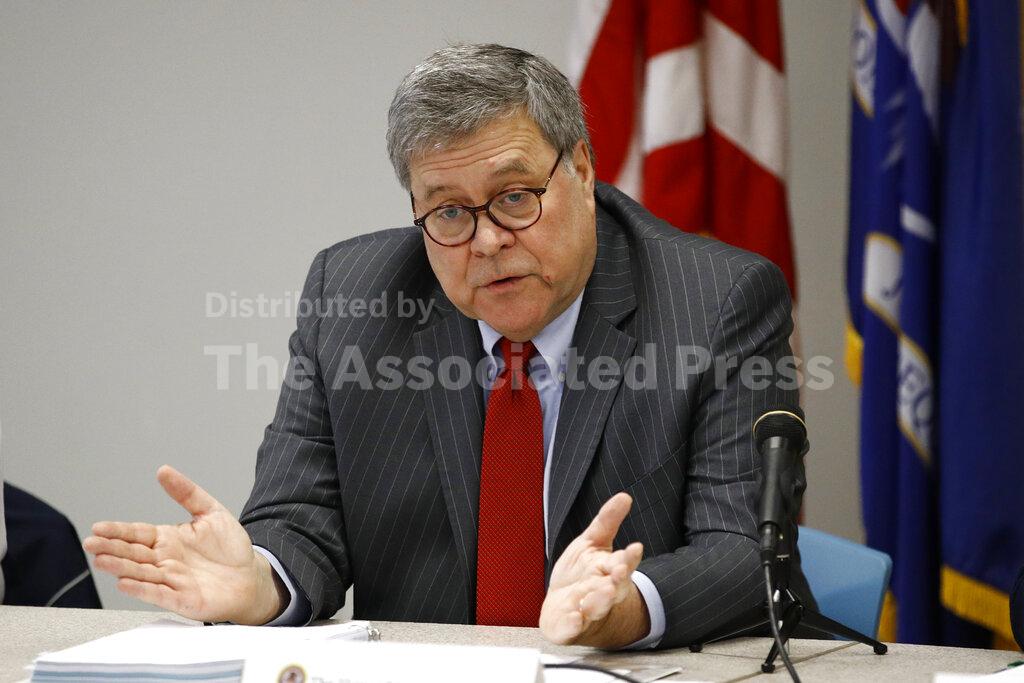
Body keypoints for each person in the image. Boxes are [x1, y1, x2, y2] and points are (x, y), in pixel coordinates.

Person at [84, 43, 812, 650]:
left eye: (516, 195)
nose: (489, 239)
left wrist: (622, 610)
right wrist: (262, 582)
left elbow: (745, 550)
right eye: (450, 211)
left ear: (583, 170)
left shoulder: (716, 303)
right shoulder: (351, 297)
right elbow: (301, 518)